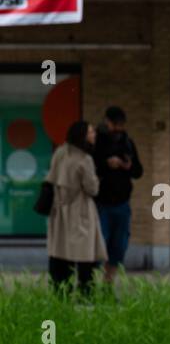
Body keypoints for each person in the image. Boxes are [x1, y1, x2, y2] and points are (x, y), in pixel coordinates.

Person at [46, 121, 106, 296]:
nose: (94, 134)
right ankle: (85, 294)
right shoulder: (85, 159)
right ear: (83, 135)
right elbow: (92, 189)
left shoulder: (60, 152)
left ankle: (60, 292)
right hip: (81, 211)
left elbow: (51, 178)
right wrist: (97, 179)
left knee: (60, 253)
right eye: (90, 132)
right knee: (85, 255)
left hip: (60, 210)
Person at [93, 105, 143, 284]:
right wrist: (106, 164)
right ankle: (89, 284)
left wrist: (126, 166)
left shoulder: (128, 143)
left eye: (120, 124)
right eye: (115, 124)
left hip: (122, 202)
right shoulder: (97, 142)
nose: (117, 128)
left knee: (118, 247)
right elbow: (91, 167)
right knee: (99, 245)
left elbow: (138, 171)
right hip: (101, 202)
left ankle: (108, 285)